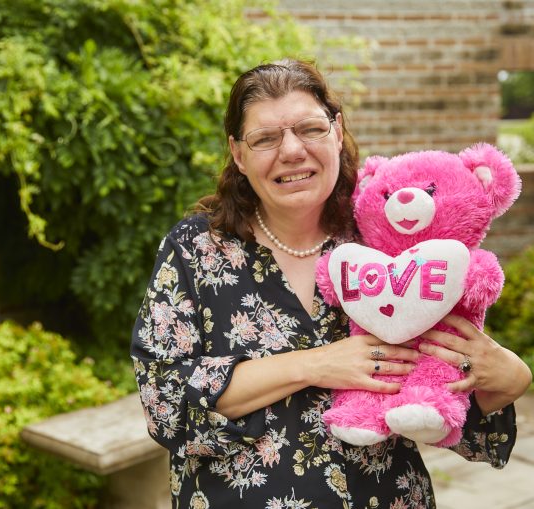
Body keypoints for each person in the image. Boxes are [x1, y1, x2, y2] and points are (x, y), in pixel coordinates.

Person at [131, 59, 532, 508]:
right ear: (239, 155)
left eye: (310, 129)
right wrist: (316, 365)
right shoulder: (196, 248)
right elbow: (165, 401)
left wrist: (506, 378)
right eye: (265, 138)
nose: (292, 151)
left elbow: (453, 405)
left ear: (337, 132)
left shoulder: (387, 238)